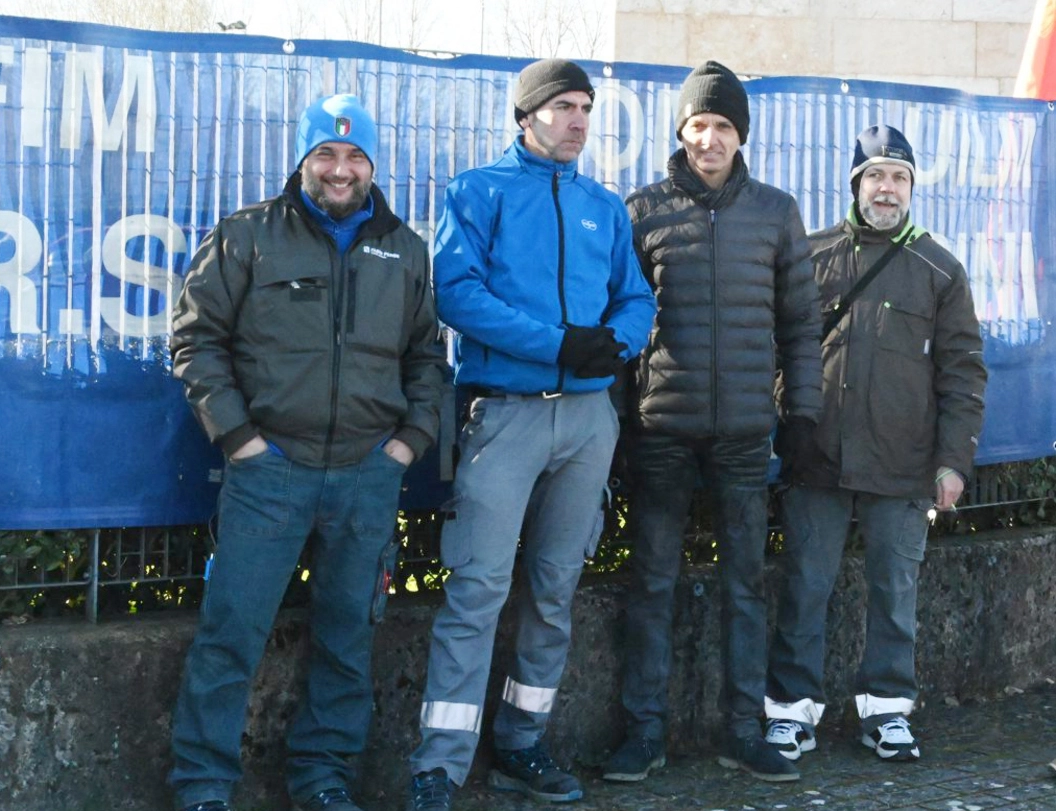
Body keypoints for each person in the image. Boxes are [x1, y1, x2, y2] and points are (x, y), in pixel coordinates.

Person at [167, 94, 445, 811]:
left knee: (349, 638)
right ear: (302, 160)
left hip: (367, 476)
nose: (340, 169)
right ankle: (202, 787)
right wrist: (241, 440)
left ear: (373, 164)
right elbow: (195, 339)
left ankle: (323, 780)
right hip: (270, 474)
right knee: (231, 635)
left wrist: (406, 445)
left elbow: (426, 358)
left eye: (355, 156)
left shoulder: (405, 249)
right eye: (325, 153)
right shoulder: (248, 236)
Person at [405, 58, 657, 811]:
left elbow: (637, 297)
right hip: (505, 415)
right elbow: (456, 293)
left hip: (587, 422)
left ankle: (522, 740)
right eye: (564, 107)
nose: (580, 120)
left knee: (554, 588)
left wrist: (615, 342)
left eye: (586, 107)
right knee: (478, 588)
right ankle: (437, 765)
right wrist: (556, 344)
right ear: (527, 116)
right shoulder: (477, 191)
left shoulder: (604, 207)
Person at [601, 60, 822, 784]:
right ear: (681, 130)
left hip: (744, 433)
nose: (709, 138)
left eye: (723, 125)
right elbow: (621, 326)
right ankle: (642, 732)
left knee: (745, 585)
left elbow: (799, 325)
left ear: (741, 135)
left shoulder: (777, 212)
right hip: (662, 428)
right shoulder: (642, 210)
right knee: (652, 581)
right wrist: (621, 426)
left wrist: (802, 413)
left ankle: (744, 730)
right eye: (698, 124)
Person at [764, 125, 987, 764]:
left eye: (898, 178)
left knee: (895, 590)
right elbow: (777, 349)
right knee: (806, 584)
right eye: (875, 176)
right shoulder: (809, 256)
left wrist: (953, 461)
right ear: (855, 184)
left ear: (911, 188)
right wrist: (787, 418)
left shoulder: (940, 268)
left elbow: (963, 371)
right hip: (818, 458)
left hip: (905, 461)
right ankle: (790, 713)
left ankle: (888, 710)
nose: (886, 189)